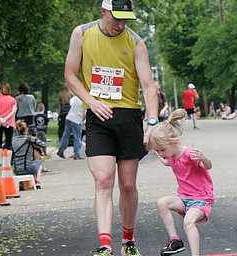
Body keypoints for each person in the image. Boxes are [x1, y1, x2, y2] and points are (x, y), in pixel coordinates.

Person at [64, 0, 159, 255]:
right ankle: (105, 245)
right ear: (103, 12)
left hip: (128, 116)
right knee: (104, 180)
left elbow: (149, 86)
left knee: (127, 185)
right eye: (116, 18)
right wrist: (91, 101)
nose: (121, 24)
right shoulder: (82, 33)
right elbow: (71, 75)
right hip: (98, 116)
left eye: (126, 19)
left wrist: (152, 121)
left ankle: (128, 241)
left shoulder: (136, 42)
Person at [146, 109, 214, 256]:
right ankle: (175, 240)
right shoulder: (170, 155)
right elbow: (165, 162)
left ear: (174, 142)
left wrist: (203, 157)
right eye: (159, 151)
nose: (162, 153)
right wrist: (157, 152)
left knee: (188, 223)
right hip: (184, 199)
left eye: (162, 149)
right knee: (162, 202)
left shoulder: (189, 154)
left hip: (201, 200)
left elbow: (208, 166)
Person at [12, 119, 47, 189]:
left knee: (25, 163)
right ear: (26, 129)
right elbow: (43, 144)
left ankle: (22, 184)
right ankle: (37, 181)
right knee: (38, 163)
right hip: (29, 168)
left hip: (16, 170)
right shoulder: (30, 139)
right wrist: (44, 151)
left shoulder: (13, 140)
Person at [0, 81, 17, 165]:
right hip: (9, 123)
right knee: (8, 142)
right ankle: (8, 161)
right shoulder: (12, 100)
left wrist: (0, 119)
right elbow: (13, 111)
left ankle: (0, 161)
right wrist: (6, 119)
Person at [57, 95, 86, 160]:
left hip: (69, 117)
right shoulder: (85, 101)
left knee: (65, 135)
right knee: (77, 137)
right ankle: (77, 154)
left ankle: (61, 151)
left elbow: (71, 104)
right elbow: (85, 115)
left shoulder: (75, 98)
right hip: (76, 119)